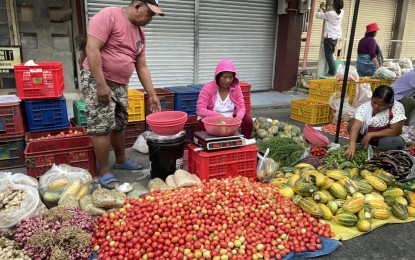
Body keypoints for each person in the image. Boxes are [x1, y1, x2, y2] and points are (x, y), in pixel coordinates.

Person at [81, 0, 164, 189]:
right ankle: (104, 171)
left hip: (120, 84)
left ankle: (120, 160)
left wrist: (151, 94)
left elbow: (141, 65)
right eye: (149, 14)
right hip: (98, 79)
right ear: (137, 6)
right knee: (101, 126)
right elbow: (92, 49)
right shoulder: (109, 16)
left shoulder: (140, 35)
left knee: (119, 123)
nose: (150, 19)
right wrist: (101, 85)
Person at [196, 58, 253, 139]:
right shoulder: (208, 88)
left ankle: (245, 141)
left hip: (230, 119)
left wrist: (238, 118)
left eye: (230, 77)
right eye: (224, 77)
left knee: (248, 120)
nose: (228, 80)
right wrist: (218, 116)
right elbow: (200, 110)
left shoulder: (236, 88)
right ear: (218, 77)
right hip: (212, 120)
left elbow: (242, 107)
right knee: (211, 127)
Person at [345, 85, 406, 160]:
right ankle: (360, 145)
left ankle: (384, 156)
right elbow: (355, 127)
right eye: (373, 102)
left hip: (385, 137)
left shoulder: (397, 108)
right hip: (367, 136)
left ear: (390, 103)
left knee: (391, 142)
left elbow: (396, 131)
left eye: (381, 105)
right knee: (351, 125)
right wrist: (352, 144)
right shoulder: (365, 107)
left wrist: (371, 134)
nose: (376, 106)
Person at [315, 0, 344, 76]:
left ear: (334, 5)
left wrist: (320, 8)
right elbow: (328, 15)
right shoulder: (342, 12)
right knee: (330, 54)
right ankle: (332, 69)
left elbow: (318, 15)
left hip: (329, 36)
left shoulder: (330, 14)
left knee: (328, 55)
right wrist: (324, 9)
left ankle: (332, 71)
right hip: (336, 36)